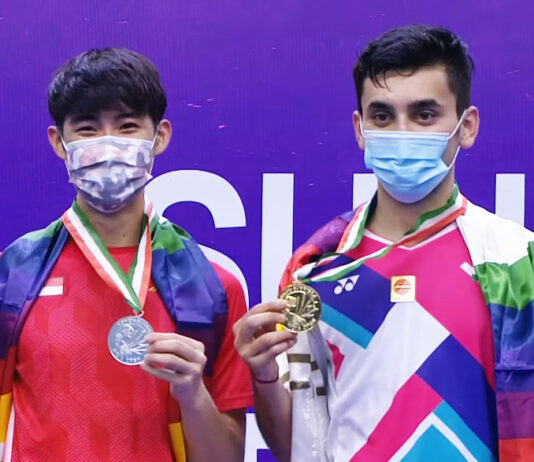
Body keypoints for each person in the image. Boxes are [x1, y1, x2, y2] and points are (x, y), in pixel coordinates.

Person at [234, 25, 534, 462]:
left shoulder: (517, 261)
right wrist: (263, 376)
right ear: (360, 129)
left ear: (466, 126)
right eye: (382, 116)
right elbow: (299, 447)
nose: (402, 131)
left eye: (424, 115)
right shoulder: (316, 269)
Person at [0, 48, 253, 462]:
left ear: (161, 136)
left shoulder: (213, 282)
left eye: (127, 126)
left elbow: (226, 458)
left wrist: (190, 394)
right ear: (58, 143)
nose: (107, 145)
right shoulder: (12, 275)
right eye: (86, 129)